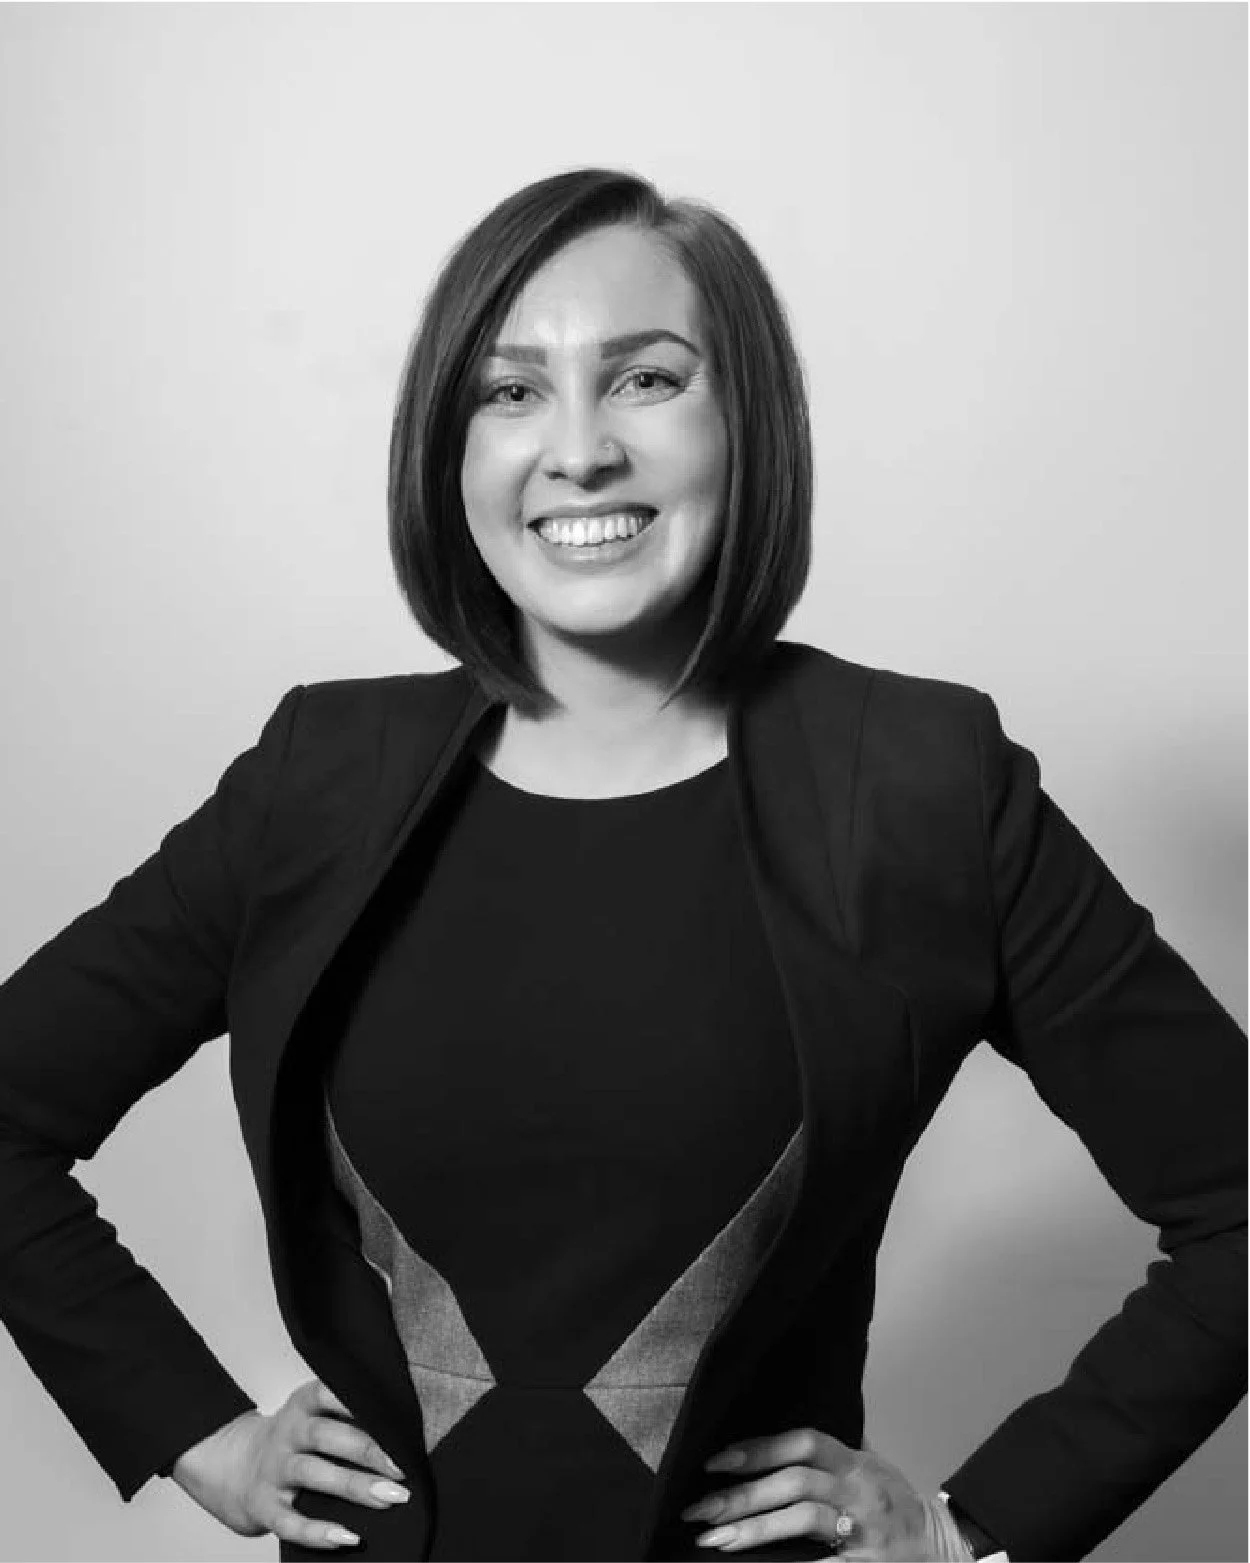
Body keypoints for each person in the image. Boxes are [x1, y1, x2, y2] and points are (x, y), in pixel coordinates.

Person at [0, 166, 1243, 1563]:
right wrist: (197, 1431)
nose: (576, 450)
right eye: (509, 391)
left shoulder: (919, 783)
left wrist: (979, 1526)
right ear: (445, 446)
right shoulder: (319, 776)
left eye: (646, 380)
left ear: (745, 420)